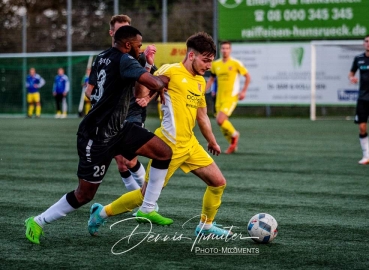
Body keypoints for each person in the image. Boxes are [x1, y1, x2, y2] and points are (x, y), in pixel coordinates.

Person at [24, 25, 173, 245]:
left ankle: (147, 208)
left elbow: (93, 88)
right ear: (128, 45)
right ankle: (37, 221)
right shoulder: (125, 60)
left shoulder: (102, 56)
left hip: (118, 128)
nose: (141, 50)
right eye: (139, 46)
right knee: (84, 195)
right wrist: (167, 80)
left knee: (163, 153)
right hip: (95, 136)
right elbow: (154, 83)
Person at [88, 32, 233, 238]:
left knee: (218, 183)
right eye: (205, 60)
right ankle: (101, 213)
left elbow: (202, 116)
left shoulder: (200, 82)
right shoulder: (171, 71)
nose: (208, 66)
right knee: (144, 196)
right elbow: (146, 89)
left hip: (190, 144)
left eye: (211, 61)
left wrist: (212, 141)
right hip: (168, 145)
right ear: (191, 55)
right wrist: (150, 85)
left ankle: (205, 226)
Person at [85, 15, 158, 203]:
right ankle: (138, 203)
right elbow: (89, 90)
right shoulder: (103, 58)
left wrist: (147, 99)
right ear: (112, 33)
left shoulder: (139, 57)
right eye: (120, 31)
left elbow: (156, 84)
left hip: (133, 112)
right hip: (111, 118)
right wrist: (101, 102)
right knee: (121, 163)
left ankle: (147, 202)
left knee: (130, 159)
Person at [205, 41, 251, 154]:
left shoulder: (236, 63)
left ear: (230, 50)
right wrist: (203, 91)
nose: (225, 50)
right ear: (220, 50)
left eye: (227, 48)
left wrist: (243, 91)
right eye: (223, 48)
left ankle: (235, 134)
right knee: (220, 122)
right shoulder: (216, 64)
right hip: (219, 97)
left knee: (220, 120)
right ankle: (232, 144)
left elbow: (247, 76)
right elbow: (211, 79)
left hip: (231, 96)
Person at [348, 35, 369, 165]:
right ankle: (366, 156)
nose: (368, 44)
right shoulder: (358, 59)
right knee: (362, 127)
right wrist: (352, 78)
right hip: (363, 98)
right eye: (366, 41)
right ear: (363, 44)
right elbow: (351, 73)